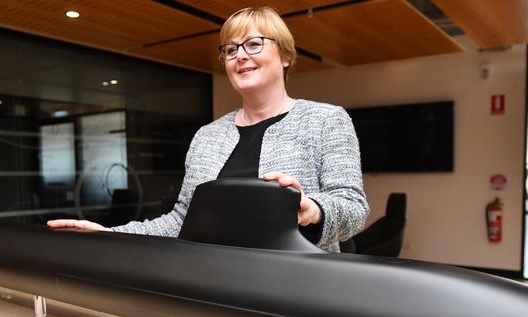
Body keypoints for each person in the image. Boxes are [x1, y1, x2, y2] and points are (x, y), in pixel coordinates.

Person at [48, 7, 368, 252]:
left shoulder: (326, 120)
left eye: (253, 44)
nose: (239, 55)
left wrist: (312, 209)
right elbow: (181, 220)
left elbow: (353, 209)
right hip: (216, 284)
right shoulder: (208, 135)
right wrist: (110, 234)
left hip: (300, 292)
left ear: (285, 55)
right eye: (230, 49)